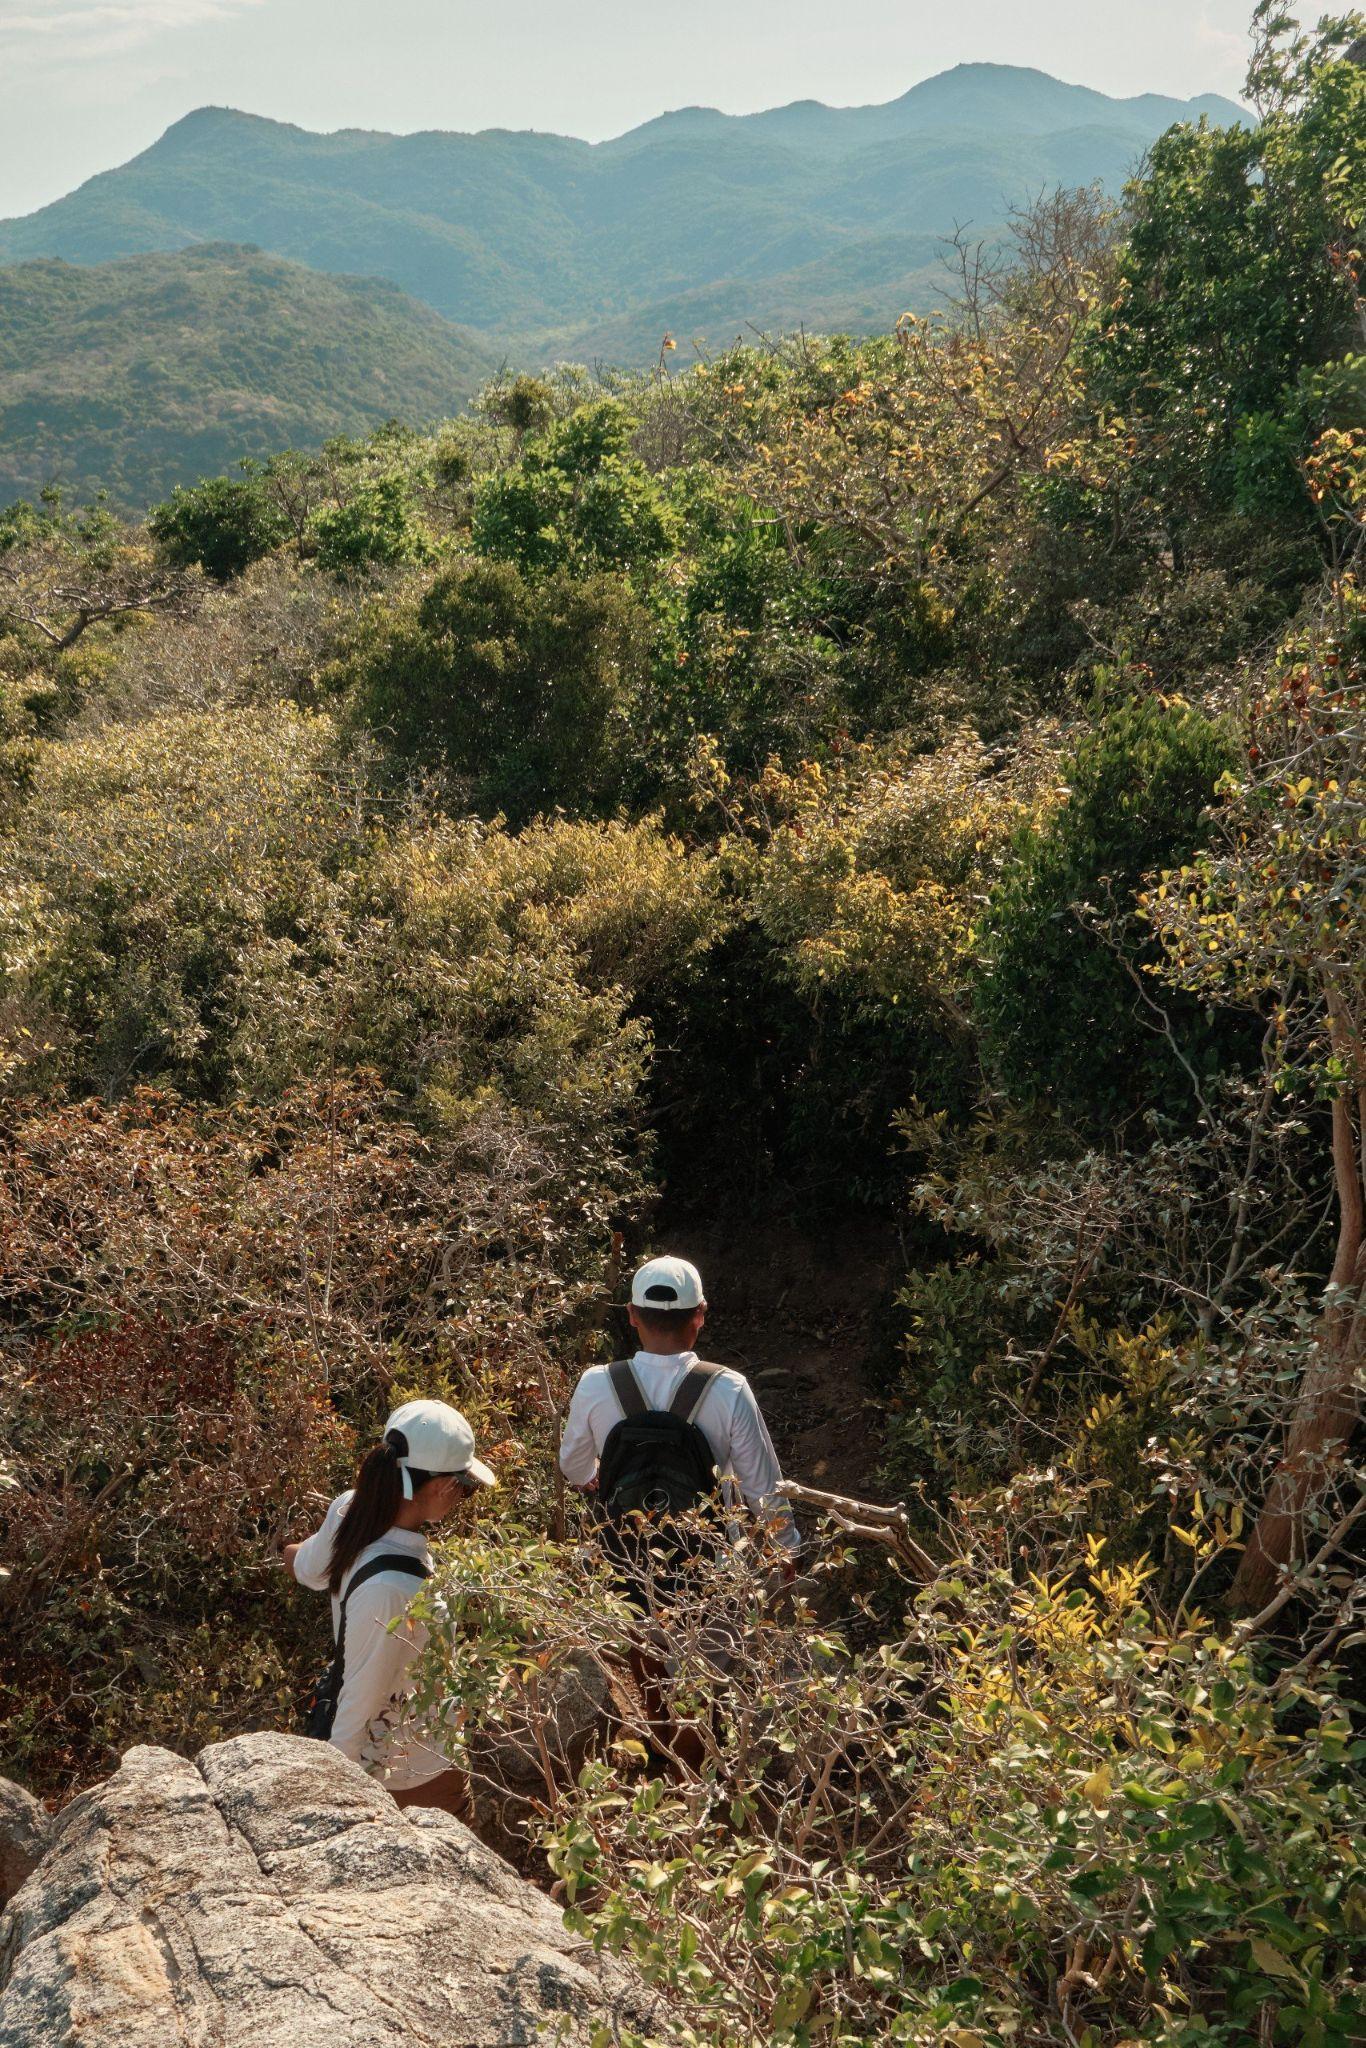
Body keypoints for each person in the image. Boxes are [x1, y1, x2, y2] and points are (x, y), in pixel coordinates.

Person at [284, 1397, 496, 1814]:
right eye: (465, 1488)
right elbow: (359, 1701)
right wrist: (338, 1798)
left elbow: (309, 1568)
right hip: (411, 1773)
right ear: (440, 1487)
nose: (463, 1498)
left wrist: (283, 1549)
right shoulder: (396, 1589)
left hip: (396, 1763)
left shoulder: (348, 1509)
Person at [559, 1254, 800, 1564]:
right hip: (708, 1567)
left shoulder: (596, 1383)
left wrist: (592, 1472)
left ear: (632, 1314)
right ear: (700, 1314)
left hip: (623, 1565)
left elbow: (573, 1466)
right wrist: (787, 1549)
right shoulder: (729, 1388)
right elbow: (763, 1488)